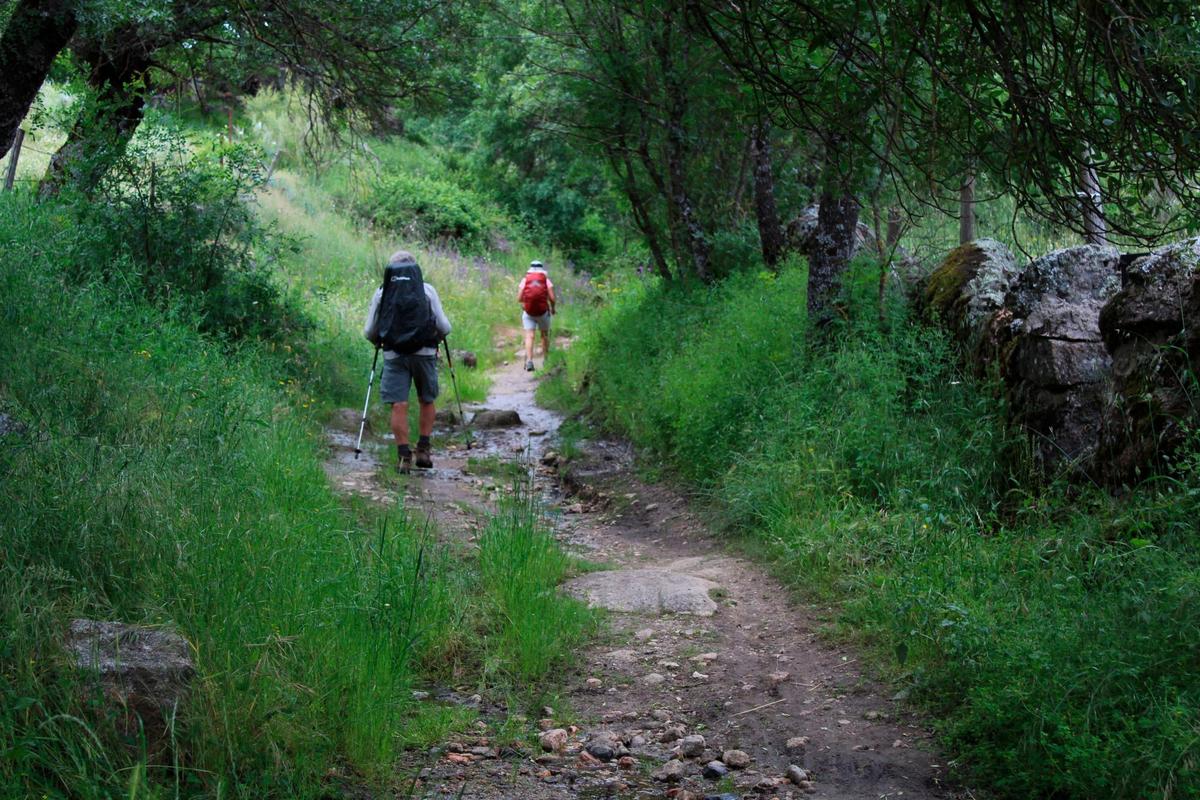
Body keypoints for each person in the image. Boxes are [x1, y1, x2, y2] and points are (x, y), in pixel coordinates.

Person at [363, 251, 452, 473]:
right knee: (427, 399)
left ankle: (404, 456)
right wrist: (436, 339)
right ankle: (423, 449)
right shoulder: (427, 289)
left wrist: (379, 342)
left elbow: (369, 331)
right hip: (425, 352)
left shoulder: (382, 292)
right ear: (415, 268)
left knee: (399, 404)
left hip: (394, 354)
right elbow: (444, 326)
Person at [517, 260, 556, 371]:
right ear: (542, 270)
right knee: (544, 335)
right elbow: (552, 298)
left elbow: (519, 298)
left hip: (528, 312)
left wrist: (527, 302)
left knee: (529, 335)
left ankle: (529, 361)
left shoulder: (525, 280)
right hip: (543, 312)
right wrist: (553, 308)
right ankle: (546, 360)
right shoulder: (546, 280)